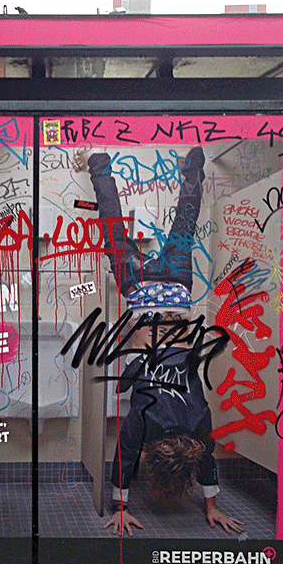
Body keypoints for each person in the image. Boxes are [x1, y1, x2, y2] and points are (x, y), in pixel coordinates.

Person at [76, 147, 245, 537]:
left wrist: (212, 505)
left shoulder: (199, 422)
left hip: (175, 294)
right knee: (113, 225)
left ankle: (194, 166)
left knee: (185, 221)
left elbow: (208, 460)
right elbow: (124, 454)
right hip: (139, 297)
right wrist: (120, 507)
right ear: (156, 457)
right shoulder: (145, 425)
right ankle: (99, 163)